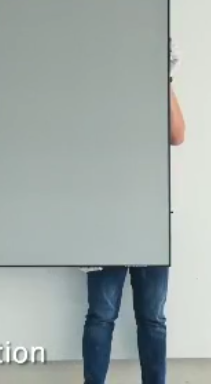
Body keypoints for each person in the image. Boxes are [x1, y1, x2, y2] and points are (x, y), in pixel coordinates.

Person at [80, 41, 186, 384]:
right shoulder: (95, 98)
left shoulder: (152, 95)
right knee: (101, 315)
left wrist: (164, 79)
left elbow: (177, 135)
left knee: (152, 317)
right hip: (103, 222)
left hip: (149, 221)